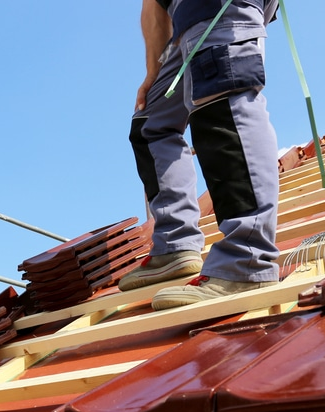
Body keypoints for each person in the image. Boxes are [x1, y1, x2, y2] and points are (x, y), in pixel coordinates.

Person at [120, 0, 280, 310]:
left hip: (214, 7)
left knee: (220, 97)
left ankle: (247, 261)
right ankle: (175, 244)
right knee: (149, 122)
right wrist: (153, 73)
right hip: (184, 19)